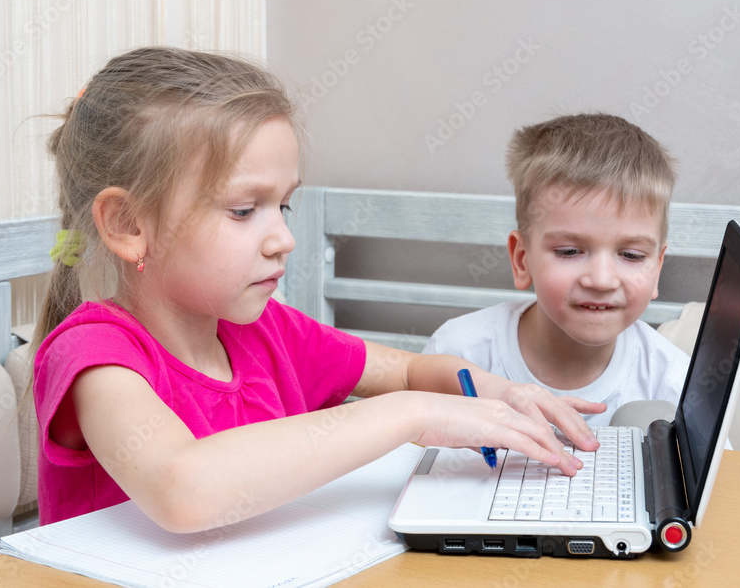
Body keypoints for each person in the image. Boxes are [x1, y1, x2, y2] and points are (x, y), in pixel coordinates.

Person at [31, 47, 605, 532]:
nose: (283, 238)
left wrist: (493, 393)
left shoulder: (267, 332)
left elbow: (407, 374)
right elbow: (186, 489)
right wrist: (411, 416)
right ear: (129, 225)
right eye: (243, 210)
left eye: (283, 204)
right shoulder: (95, 358)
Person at [423, 114, 689, 428]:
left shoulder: (674, 384)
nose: (601, 280)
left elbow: (721, 476)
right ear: (522, 260)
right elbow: (407, 460)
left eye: (631, 255)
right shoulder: (458, 353)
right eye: (569, 251)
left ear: (657, 268)